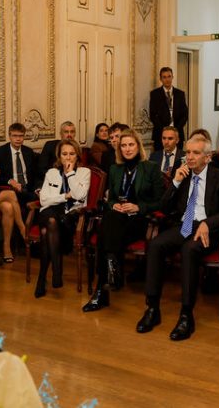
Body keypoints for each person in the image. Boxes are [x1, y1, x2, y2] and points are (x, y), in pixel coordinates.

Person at [136, 136, 219, 341]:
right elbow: (163, 208)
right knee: (155, 245)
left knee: (189, 250)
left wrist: (208, 222)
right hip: (184, 225)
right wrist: (175, 182)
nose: (189, 157)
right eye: (188, 152)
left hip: (206, 229)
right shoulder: (182, 174)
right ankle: (152, 308)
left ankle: (186, 315)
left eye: (195, 153)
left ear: (207, 157)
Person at [82, 129, 163, 312]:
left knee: (104, 235)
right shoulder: (115, 169)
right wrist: (114, 205)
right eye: (123, 145)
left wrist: (138, 207)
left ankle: (102, 291)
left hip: (140, 219)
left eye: (131, 145)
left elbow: (159, 202)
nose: (127, 149)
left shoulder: (150, 167)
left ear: (138, 146)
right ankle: (110, 275)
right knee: (111, 217)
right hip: (118, 217)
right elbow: (110, 199)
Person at [34, 139, 91, 298]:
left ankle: (42, 279)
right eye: (64, 154)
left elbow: (79, 195)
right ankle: (57, 273)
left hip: (68, 216)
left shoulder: (84, 172)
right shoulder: (51, 173)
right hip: (49, 211)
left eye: (72, 154)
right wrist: (65, 196)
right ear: (59, 156)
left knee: (45, 232)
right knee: (50, 220)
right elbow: (44, 200)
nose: (68, 157)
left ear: (77, 155)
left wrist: (70, 174)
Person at [0, 122, 39, 206]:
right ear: (9, 136)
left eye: (21, 136)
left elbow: (35, 174)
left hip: (28, 189)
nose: (18, 139)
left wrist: (37, 188)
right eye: (15, 136)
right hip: (11, 189)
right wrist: (10, 181)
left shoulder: (28, 152)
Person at [149, 67, 188, 148]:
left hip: (177, 134)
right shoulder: (155, 94)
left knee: (178, 155)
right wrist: (164, 130)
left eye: (169, 76)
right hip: (160, 134)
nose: (167, 79)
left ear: (172, 77)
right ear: (161, 79)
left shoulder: (180, 94)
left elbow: (185, 115)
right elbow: (153, 115)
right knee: (160, 155)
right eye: (164, 77)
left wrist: (176, 130)